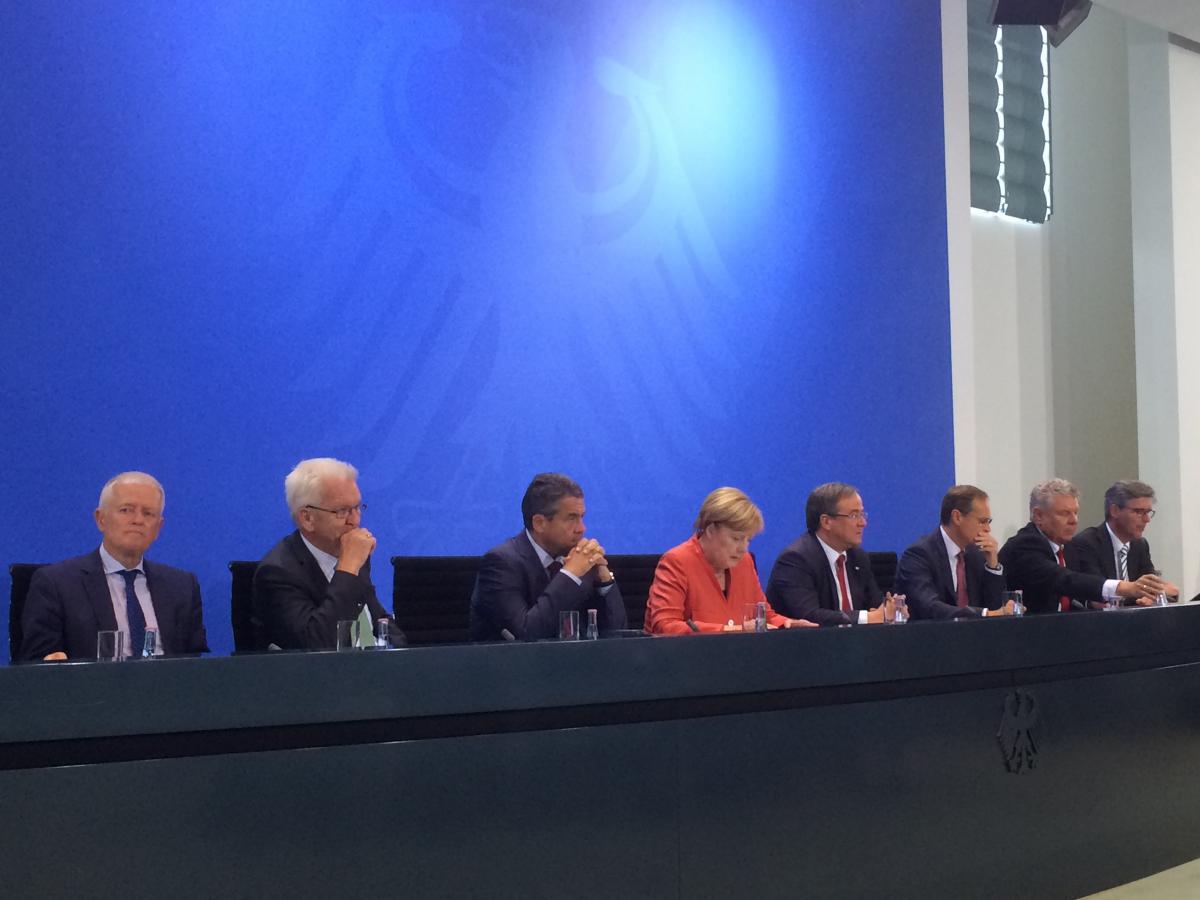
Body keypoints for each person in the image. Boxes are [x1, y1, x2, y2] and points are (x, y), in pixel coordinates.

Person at [18, 472, 208, 661]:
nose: (138, 520)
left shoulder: (182, 586)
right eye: (126, 510)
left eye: (148, 513)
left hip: (166, 689)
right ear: (101, 519)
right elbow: (35, 663)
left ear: (159, 527)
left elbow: (196, 667)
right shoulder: (57, 584)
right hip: (90, 689)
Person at [253, 458, 402, 650]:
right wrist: (347, 569)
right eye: (342, 511)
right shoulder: (277, 573)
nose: (355, 521)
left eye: (357, 508)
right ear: (307, 518)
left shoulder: (354, 555)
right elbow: (319, 645)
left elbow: (380, 623)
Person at [469, 473, 627, 641]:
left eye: (582, 517)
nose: (582, 529)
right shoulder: (501, 563)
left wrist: (604, 581)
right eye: (571, 518)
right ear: (539, 523)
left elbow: (619, 636)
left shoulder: (578, 560)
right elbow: (526, 634)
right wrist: (570, 575)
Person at [644, 487, 817, 634]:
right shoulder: (677, 562)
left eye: (748, 540)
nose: (743, 548)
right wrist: (732, 630)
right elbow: (665, 626)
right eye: (736, 538)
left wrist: (788, 624)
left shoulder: (745, 562)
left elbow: (763, 616)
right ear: (711, 530)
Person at [997, 478, 1163, 614]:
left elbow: (1080, 590)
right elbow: (1064, 580)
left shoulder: (1065, 547)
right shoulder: (1025, 545)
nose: (1074, 520)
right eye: (1064, 513)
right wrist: (1125, 587)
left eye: (1075, 512)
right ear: (1038, 516)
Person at [765, 482, 898, 626]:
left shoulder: (858, 557)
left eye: (862, 514)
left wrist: (891, 611)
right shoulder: (796, 560)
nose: (863, 522)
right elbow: (809, 615)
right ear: (826, 522)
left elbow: (875, 605)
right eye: (854, 515)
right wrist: (867, 618)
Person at [893, 485, 1013, 620]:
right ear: (957, 517)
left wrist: (992, 565)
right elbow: (929, 607)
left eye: (988, 522)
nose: (988, 529)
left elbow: (996, 610)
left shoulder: (976, 555)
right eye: (982, 521)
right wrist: (985, 614)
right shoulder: (919, 555)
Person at [1069, 479, 1179, 606]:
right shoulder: (1087, 543)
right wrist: (1144, 593)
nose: (1147, 519)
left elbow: (1156, 586)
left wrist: (1154, 594)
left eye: (1148, 512)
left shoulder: (1140, 545)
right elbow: (1098, 593)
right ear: (1115, 511)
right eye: (1139, 512)